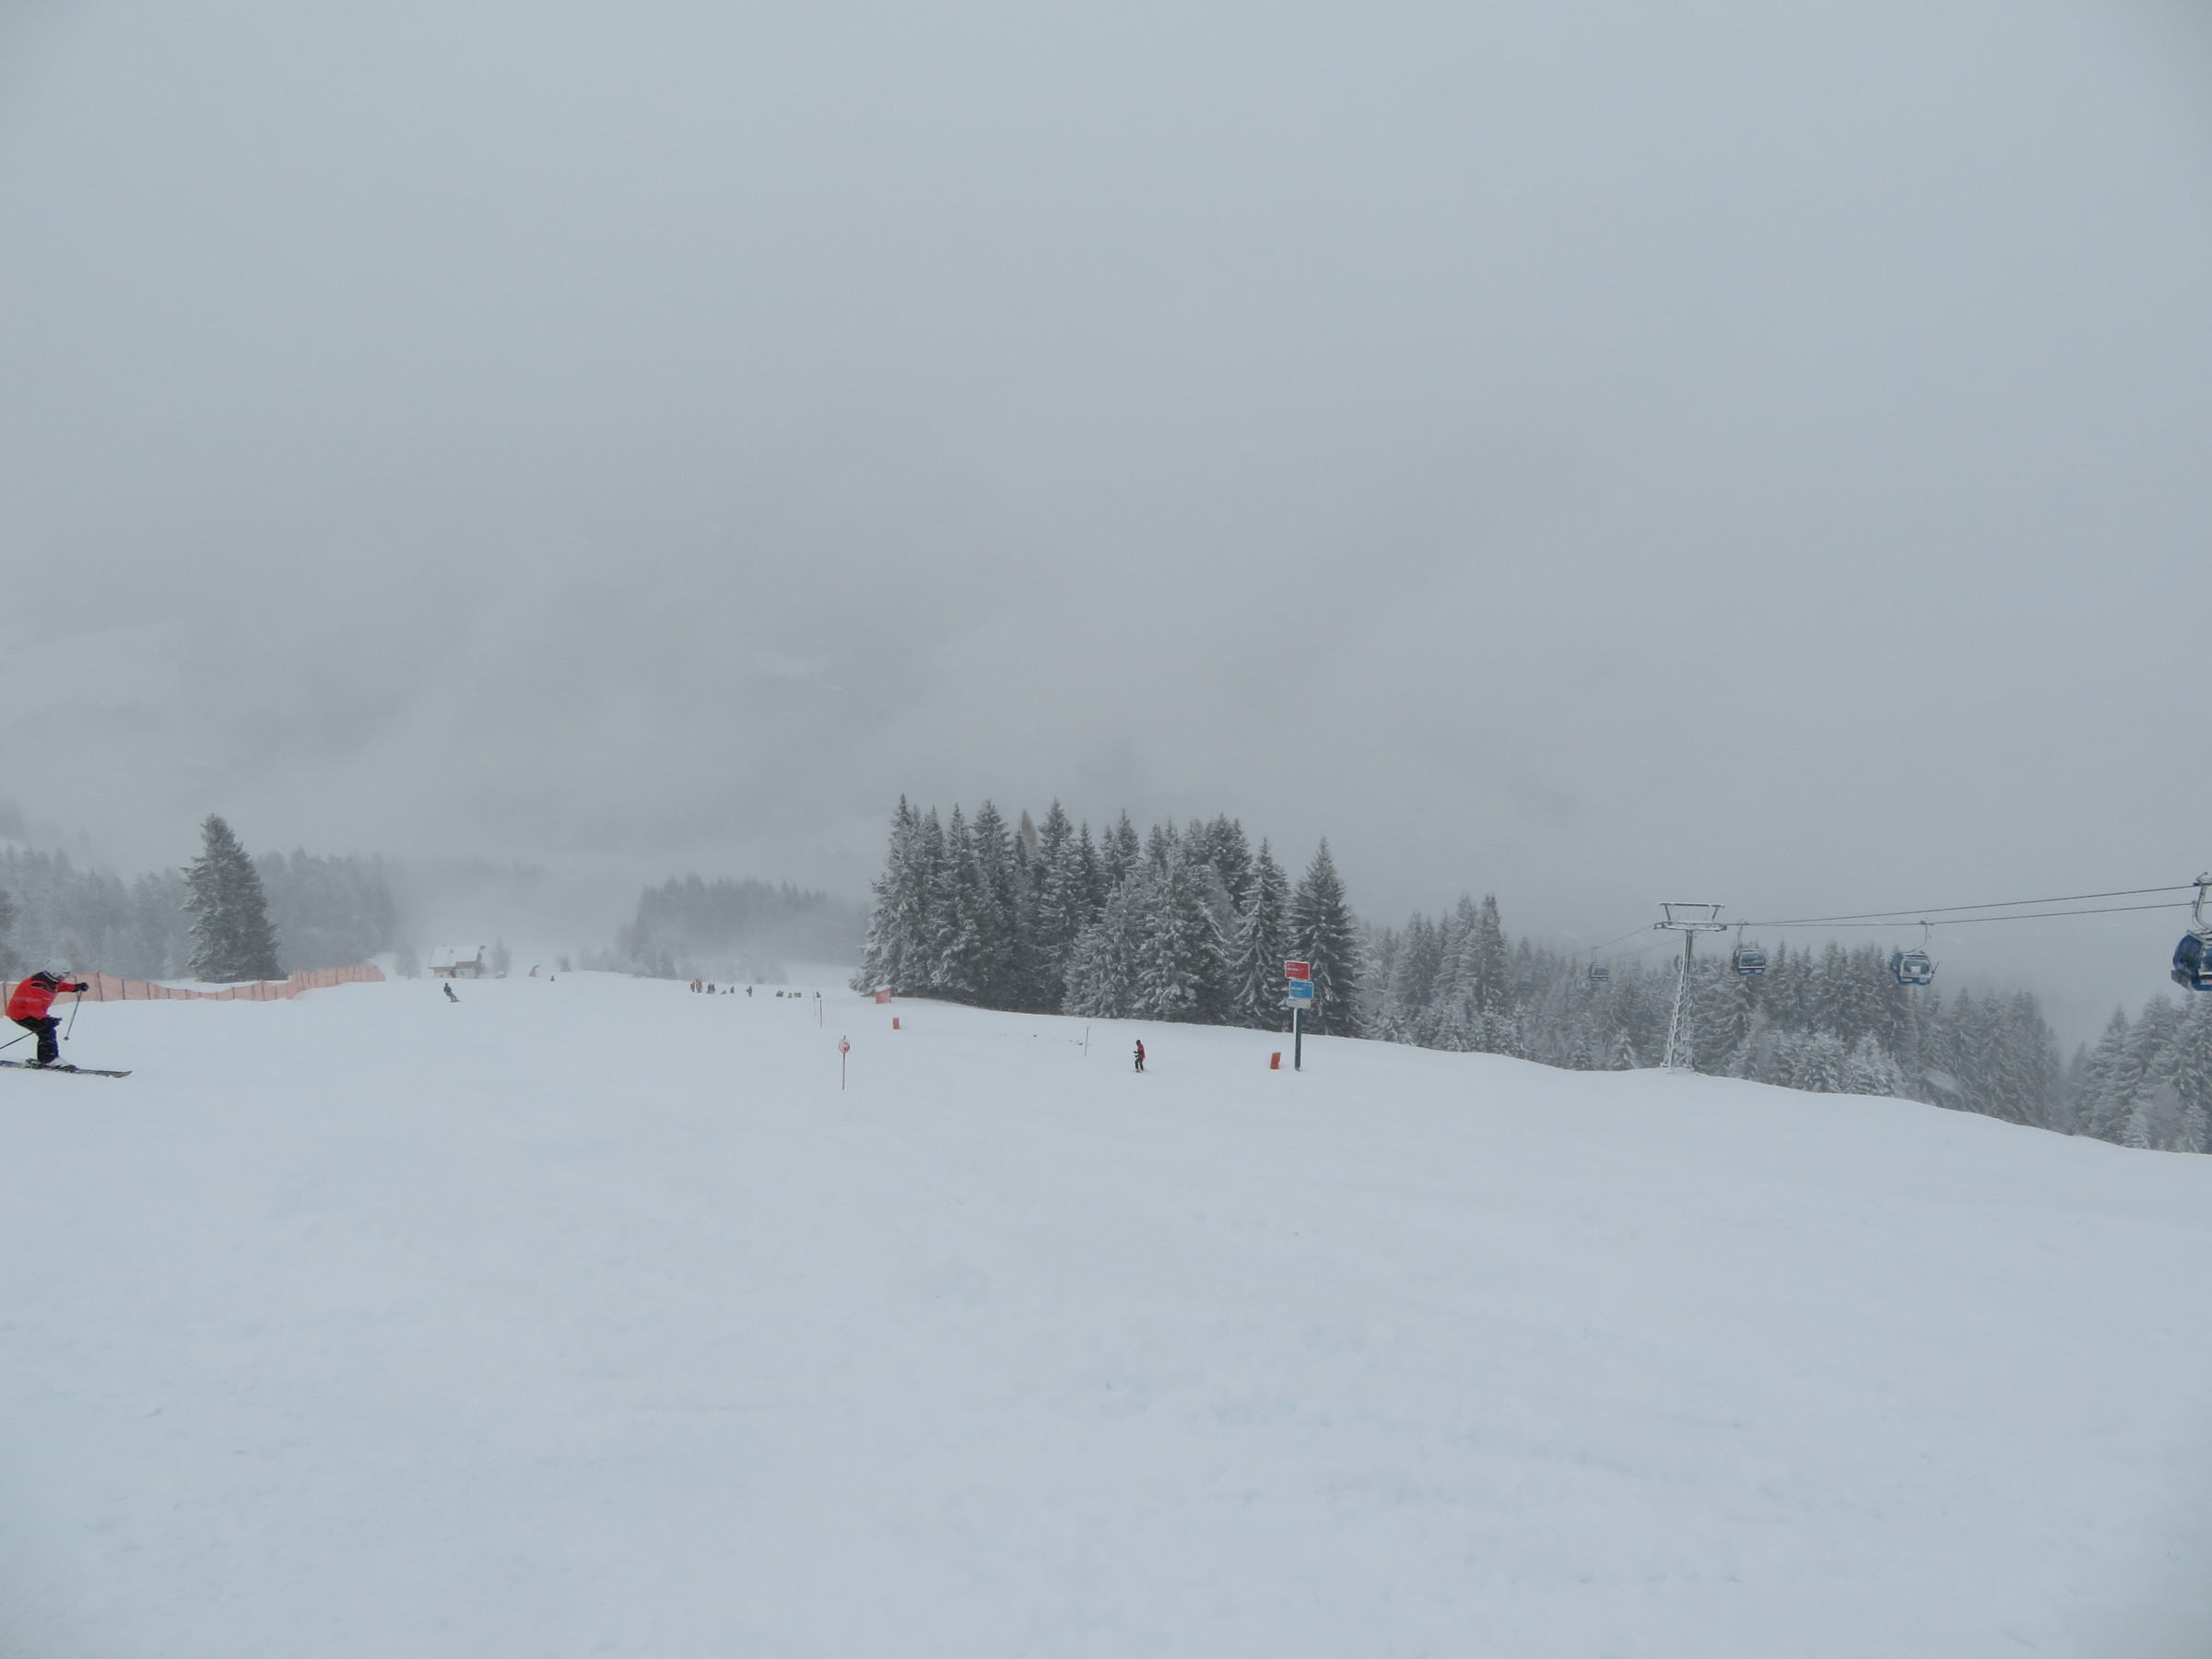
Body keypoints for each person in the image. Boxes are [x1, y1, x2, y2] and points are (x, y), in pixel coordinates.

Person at [8, 960, 91, 1068]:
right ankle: (49, 1060)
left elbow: (59, 987)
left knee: (47, 1031)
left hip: (30, 1013)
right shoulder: (38, 986)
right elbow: (33, 1007)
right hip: (21, 1014)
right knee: (46, 1031)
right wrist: (45, 1019)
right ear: (54, 973)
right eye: (63, 975)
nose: (64, 978)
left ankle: (48, 1059)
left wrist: (75, 987)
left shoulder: (49, 981)